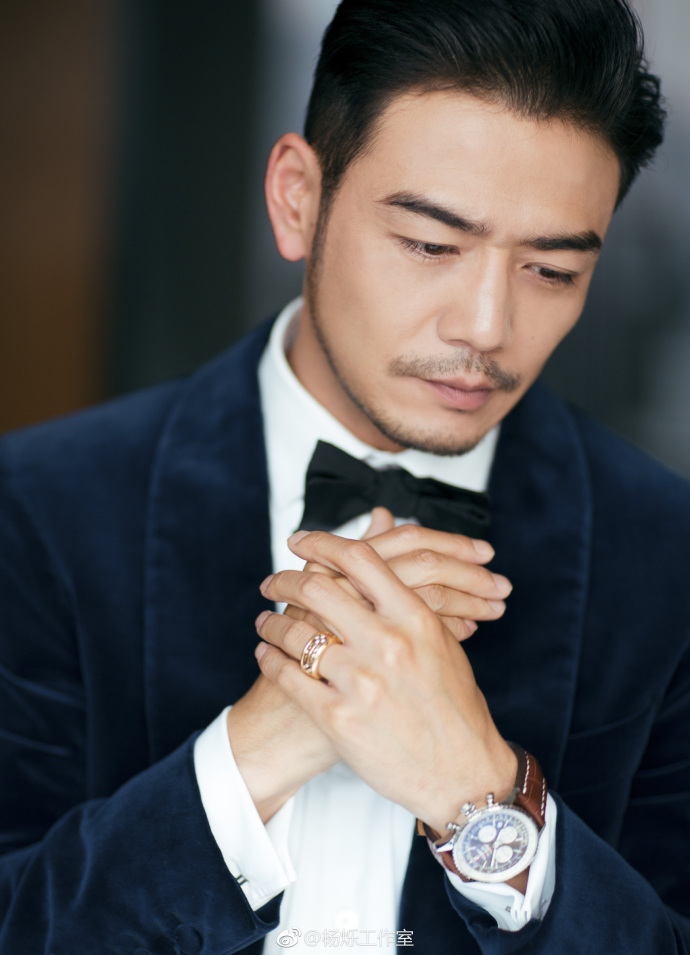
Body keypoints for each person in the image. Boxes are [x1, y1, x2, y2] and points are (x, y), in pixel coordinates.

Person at [0, 0, 688, 952]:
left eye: (551, 271)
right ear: (297, 200)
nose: (486, 326)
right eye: (431, 245)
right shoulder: (36, 508)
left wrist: (484, 796)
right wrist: (253, 755)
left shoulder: (667, 559)